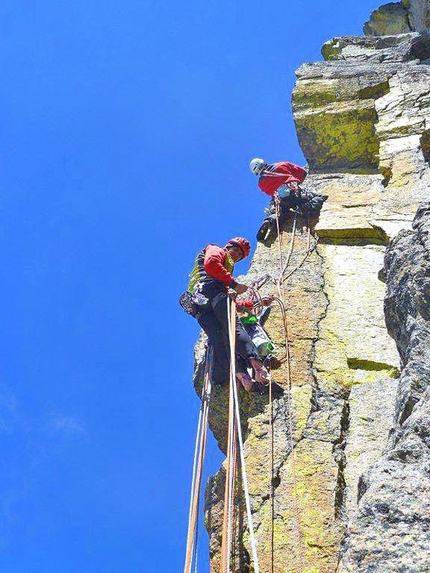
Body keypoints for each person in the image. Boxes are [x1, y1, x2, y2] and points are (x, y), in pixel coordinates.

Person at [186, 237, 270, 392]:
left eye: (240, 255)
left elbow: (232, 306)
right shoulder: (215, 250)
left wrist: (257, 304)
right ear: (228, 246)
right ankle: (259, 369)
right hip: (211, 293)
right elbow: (211, 263)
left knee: (221, 339)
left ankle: (243, 378)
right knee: (234, 328)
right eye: (236, 250)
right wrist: (234, 284)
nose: (236, 256)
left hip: (201, 306)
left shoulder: (220, 282)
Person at [249, 157, 327, 214]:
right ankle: (306, 207)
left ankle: (274, 219)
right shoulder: (281, 165)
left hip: (281, 201)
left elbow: (271, 193)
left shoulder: (261, 184)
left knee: (280, 213)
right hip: (294, 192)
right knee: (319, 197)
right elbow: (302, 172)